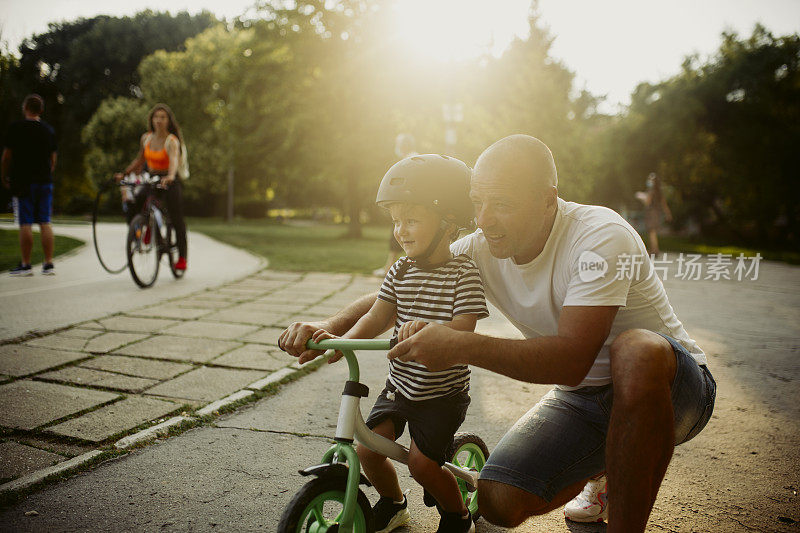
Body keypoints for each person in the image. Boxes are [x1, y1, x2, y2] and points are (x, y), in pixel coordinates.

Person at [279, 135, 716, 533]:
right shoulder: (484, 245)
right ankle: (607, 467)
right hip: (582, 398)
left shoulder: (599, 236)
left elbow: (571, 359)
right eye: (476, 202)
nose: (484, 220)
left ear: (548, 201)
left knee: (635, 351)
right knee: (496, 501)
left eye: (501, 203)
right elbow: (399, 290)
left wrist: (459, 344)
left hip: (674, 389)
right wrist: (330, 327)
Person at [283, 154, 488, 533]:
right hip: (401, 387)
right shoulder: (400, 270)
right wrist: (340, 341)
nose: (400, 230)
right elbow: (377, 316)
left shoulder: (464, 274)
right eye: (396, 221)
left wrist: (429, 329)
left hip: (441, 394)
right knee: (368, 450)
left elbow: (464, 331)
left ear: (448, 224)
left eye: (411, 220)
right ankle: (395, 503)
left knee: (422, 465)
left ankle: (457, 515)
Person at [115, 103, 188, 271]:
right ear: (152, 120)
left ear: (168, 121)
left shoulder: (172, 141)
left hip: (169, 180)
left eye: (163, 117)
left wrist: (170, 176)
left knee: (177, 219)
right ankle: (143, 228)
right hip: (152, 178)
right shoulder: (146, 138)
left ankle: (182, 258)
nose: (159, 121)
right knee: (137, 202)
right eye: (156, 117)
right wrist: (124, 174)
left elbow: (174, 159)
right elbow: (140, 160)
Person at [1, 94, 58, 276]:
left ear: (25, 108)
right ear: (41, 110)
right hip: (44, 181)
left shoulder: (16, 128)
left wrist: (4, 176)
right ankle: (48, 263)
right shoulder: (48, 130)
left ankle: (26, 264)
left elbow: (6, 156)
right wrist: (48, 173)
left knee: (25, 222)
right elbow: (53, 158)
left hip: (23, 181)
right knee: (45, 221)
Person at [372, 134, 419, 277]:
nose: (397, 147)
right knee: (399, 234)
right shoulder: (411, 158)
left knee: (403, 233)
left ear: (403, 145)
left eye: (398, 144)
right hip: (406, 203)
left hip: (408, 204)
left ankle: (392, 269)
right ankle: (390, 268)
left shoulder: (410, 159)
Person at [636, 172, 673, 255]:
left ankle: (654, 250)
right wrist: (668, 214)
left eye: (650, 179)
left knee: (651, 231)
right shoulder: (659, 192)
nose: (649, 180)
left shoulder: (651, 191)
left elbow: (647, 202)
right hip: (657, 213)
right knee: (653, 231)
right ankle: (654, 249)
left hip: (650, 212)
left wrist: (641, 196)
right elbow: (664, 204)